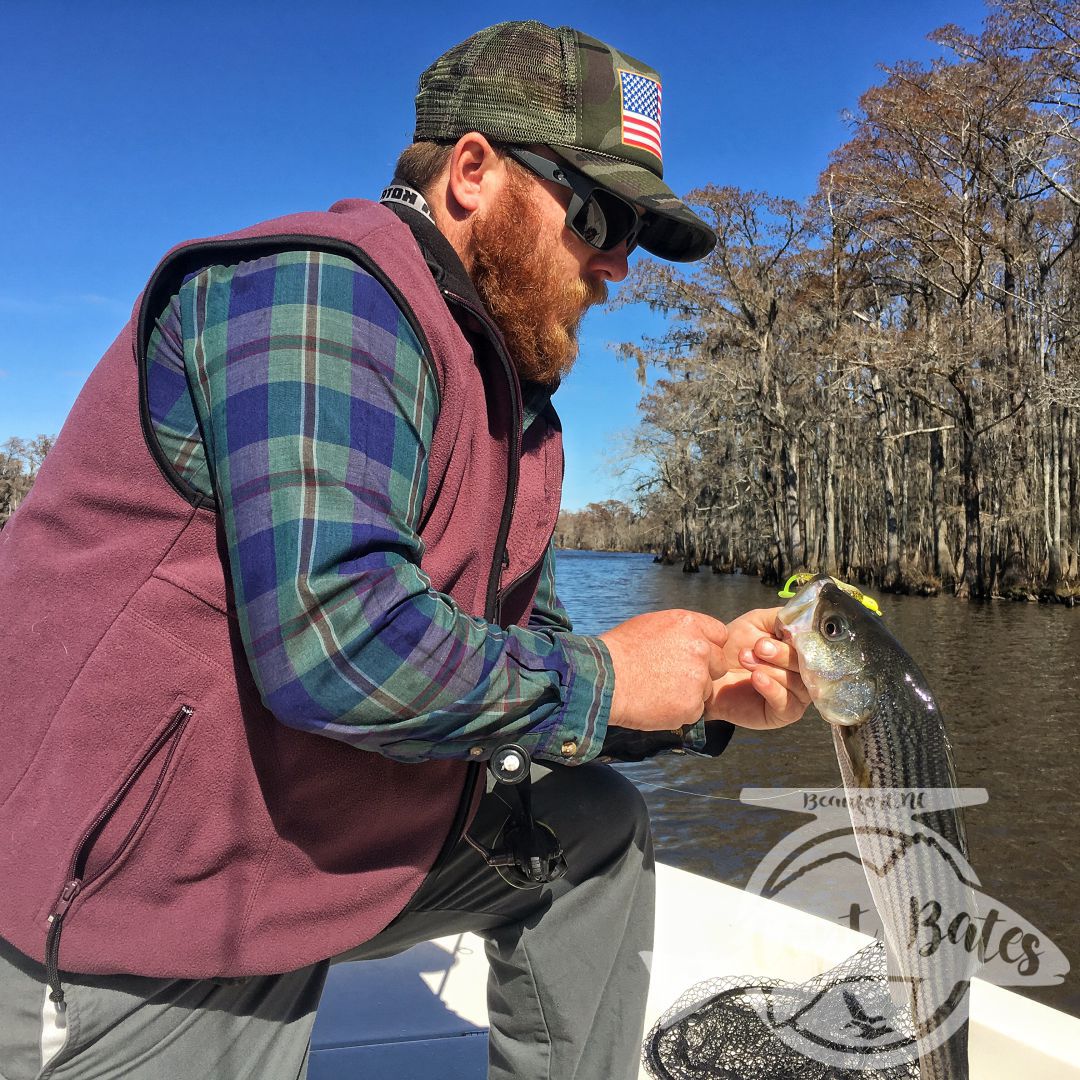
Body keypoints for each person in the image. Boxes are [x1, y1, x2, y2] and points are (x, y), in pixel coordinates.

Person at [0, 20, 809, 1080]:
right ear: (472, 172)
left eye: (638, 233)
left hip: (316, 834)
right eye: (600, 212)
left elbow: (515, 665)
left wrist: (697, 689)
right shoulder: (322, 295)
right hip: (155, 893)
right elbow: (337, 641)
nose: (618, 262)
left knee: (592, 830)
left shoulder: (516, 406)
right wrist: (609, 680)